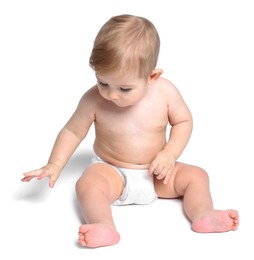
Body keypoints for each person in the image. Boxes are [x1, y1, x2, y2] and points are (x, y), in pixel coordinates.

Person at [21, 14, 239, 248]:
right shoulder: (93, 100)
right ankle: (104, 225)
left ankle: (203, 214)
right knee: (87, 185)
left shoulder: (165, 93)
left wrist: (169, 154)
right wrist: (55, 164)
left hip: (157, 173)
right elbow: (73, 132)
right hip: (112, 172)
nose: (112, 94)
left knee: (197, 176)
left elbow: (183, 121)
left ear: (152, 76)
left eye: (125, 88)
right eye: (103, 82)